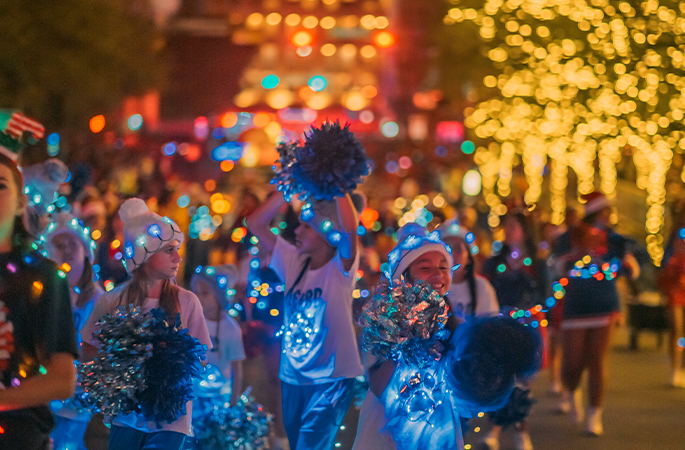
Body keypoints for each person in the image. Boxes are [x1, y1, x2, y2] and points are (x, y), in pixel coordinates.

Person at [81, 198, 211, 450]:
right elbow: (88, 349)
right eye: (169, 250)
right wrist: (117, 369)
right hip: (126, 418)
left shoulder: (187, 301)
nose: (178, 257)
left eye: (177, 249)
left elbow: (202, 356)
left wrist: (170, 362)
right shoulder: (112, 301)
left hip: (172, 419)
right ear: (143, 255)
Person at [246, 191, 363, 450]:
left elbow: (349, 231)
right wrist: (285, 190)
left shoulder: (341, 268)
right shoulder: (292, 261)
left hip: (330, 379)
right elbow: (254, 223)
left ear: (327, 234)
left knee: (311, 446)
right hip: (293, 377)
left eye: (306, 227)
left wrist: (339, 186)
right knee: (298, 444)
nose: (297, 231)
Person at [0, 150, 78, 449]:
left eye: (0, 185)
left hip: (18, 437)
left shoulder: (43, 276)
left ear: (21, 203)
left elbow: (62, 379)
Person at [353, 231, 458, 450]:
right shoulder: (384, 322)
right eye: (426, 268)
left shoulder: (454, 324)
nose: (438, 275)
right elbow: (378, 386)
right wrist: (407, 342)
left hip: (437, 428)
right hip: (388, 428)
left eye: (443, 267)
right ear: (405, 276)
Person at [552, 192, 640, 436]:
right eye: (605, 211)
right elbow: (557, 266)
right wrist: (575, 258)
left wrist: (627, 268)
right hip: (576, 304)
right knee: (572, 363)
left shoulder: (615, 240)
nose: (609, 216)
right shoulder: (571, 236)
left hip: (605, 303)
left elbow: (632, 266)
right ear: (595, 212)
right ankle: (571, 390)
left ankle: (594, 415)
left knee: (597, 361)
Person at [44, 213, 104, 450]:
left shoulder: (99, 301)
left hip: (79, 396)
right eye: (59, 245)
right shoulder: (45, 294)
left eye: (73, 244)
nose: (67, 251)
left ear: (86, 253)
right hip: (47, 390)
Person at [190, 264, 245, 406]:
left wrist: (233, 403)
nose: (199, 297)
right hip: (193, 395)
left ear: (219, 296)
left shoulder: (230, 328)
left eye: (205, 293)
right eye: (196, 292)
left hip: (220, 398)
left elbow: (236, 369)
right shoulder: (191, 322)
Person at [435, 219, 499, 318]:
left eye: (457, 249)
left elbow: (489, 326)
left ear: (468, 257)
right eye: (446, 248)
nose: (451, 254)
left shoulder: (481, 287)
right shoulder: (428, 287)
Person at [657, 213, 685, 388]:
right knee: (676, 327)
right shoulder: (676, 233)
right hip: (676, 284)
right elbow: (665, 259)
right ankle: (674, 368)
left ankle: (682, 368)